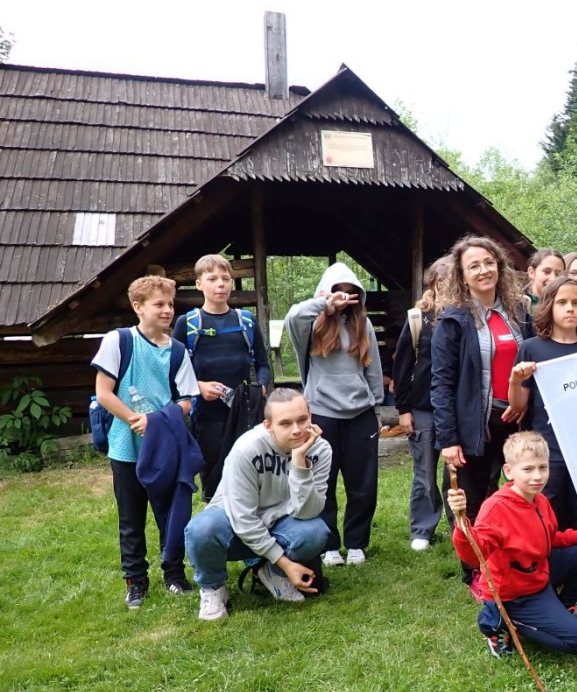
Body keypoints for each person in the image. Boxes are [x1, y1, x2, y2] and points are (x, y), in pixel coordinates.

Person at [431, 235, 534, 595]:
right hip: (473, 424)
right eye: (473, 265)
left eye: (488, 262)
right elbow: (440, 383)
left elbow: (533, 361)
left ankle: (516, 560)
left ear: (499, 266)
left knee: (517, 493)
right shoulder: (453, 320)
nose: (483, 270)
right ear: (461, 274)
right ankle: (474, 570)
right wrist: (448, 440)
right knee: (471, 499)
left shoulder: (519, 312)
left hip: (516, 420)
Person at [447, 431, 577, 656]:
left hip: (539, 575)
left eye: (543, 467)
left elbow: (549, 540)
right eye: (528, 469)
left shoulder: (540, 500)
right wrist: (462, 523)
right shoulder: (496, 508)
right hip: (516, 595)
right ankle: (501, 623)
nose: (537, 476)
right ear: (508, 471)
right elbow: (474, 556)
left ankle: (562, 606)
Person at [91, 275, 200, 608]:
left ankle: (174, 574)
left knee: (171, 514)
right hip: (126, 446)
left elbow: (187, 399)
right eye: (159, 304)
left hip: (165, 447)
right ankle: (136, 580)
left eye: (170, 304)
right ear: (138, 307)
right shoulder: (119, 341)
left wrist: (156, 421)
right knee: (131, 518)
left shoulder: (178, 351)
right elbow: (103, 392)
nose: (167, 310)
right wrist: (134, 420)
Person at [184, 389, 332, 621]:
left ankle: (272, 573)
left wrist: (300, 462)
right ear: (268, 425)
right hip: (234, 525)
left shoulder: (320, 450)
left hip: (281, 523)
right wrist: (286, 562)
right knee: (201, 530)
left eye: (302, 420)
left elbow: (308, 512)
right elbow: (243, 519)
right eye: (285, 423)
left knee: (315, 531)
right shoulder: (246, 449)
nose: (297, 429)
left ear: (311, 416)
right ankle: (213, 587)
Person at [285, 263, 384, 567]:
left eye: (350, 293)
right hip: (322, 414)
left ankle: (356, 543)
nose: (344, 298)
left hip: (360, 414)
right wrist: (324, 305)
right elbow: (292, 316)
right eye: (338, 291)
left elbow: (373, 367)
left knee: (363, 483)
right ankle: (328, 545)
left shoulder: (361, 325)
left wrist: (376, 405)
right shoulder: (310, 324)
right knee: (322, 482)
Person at [171, 254, 272, 501]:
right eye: (213, 278)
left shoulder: (246, 321)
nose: (221, 284)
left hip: (245, 412)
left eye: (226, 278)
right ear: (198, 284)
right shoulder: (188, 323)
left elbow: (263, 364)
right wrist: (198, 386)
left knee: (250, 473)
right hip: (206, 414)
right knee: (214, 476)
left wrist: (262, 388)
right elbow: (173, 370)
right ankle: (215, 526)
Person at [508, 275, 577, 530]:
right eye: (562, 302)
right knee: (547, 515)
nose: (570, 308)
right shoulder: (531, 348)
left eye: (576, 303)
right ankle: (545, 565)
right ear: (549, 307)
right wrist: (515, 380)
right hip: (547, 451)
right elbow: (518, 406)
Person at [393, 256, 451, 551]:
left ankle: (461, 527)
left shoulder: (465, 315)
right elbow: (402, 365)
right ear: (432, 282)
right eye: (442, 280)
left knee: (456, 473)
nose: (447, 285)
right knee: (425, 472)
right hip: (422, 407)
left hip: (454, 408)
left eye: (453, 280)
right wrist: (403, 409)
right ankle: (423, 529)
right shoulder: (418, 317)